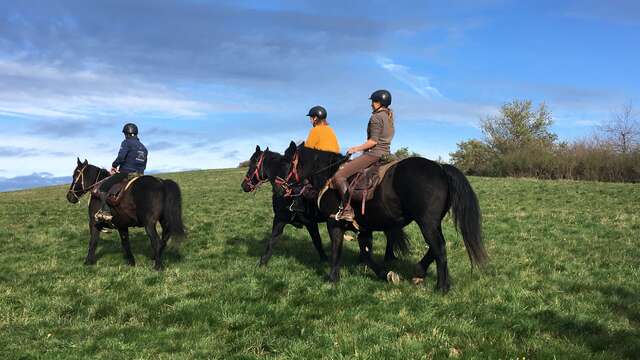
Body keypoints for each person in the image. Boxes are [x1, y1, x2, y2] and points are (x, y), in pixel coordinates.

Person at [332, 89, 395, 222]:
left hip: (374, 154)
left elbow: (373, 141)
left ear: (380, 102)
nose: (372, 104)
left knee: (339, 176)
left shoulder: (376, 117)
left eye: (374, 101)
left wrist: (355, 149)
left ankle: (347, 210)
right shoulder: (389, 117)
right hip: (386, 153)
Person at [94, 123, 148, 223]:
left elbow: (121, 158)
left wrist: (114, 165)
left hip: (126, 173)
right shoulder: (144, 148)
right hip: (140, 175)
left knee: (103, 188)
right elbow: (144, 164)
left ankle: (106, 211)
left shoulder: (126, 143)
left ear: (126, 134)